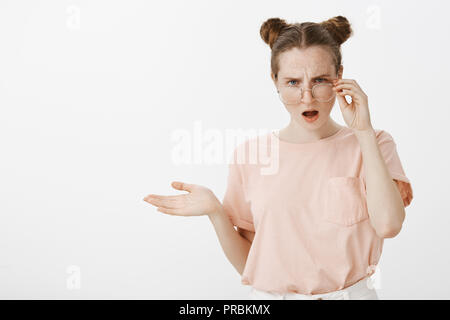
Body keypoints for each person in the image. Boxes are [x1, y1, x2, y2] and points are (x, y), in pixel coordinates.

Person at [143, 16, 413, 300]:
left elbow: (389, 225)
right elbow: (252, 266)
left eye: (320, 80)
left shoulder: (375, 142)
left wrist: (364, 132)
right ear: (275, 81)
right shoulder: (250, 156)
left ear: (340, 77)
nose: (307, 97)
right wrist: (216, 212)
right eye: (293, 82)